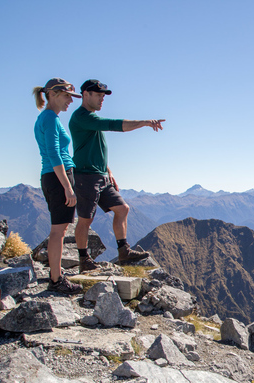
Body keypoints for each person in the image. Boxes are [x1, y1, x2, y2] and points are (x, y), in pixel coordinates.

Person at [69, 79, 165, 272]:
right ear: (86, 94)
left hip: (100, 174)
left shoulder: (90, 118)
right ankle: (84, 259)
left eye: (103, 96)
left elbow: (95, 150)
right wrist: (145, 122)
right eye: (98, 95)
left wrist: (108, 171)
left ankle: (124, 251)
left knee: (122, 208)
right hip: (85, 176)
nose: (102, 99)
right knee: (85, 219)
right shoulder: (82, 117)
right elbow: (115, 125)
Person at [33, 78, 83, 294]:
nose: (70, 101)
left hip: (51, 177)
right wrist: (68, 187)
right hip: (58, 178)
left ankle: (56, 276)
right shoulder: (50, 119)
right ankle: (56, 280)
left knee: (59, 229)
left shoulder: (45, 117)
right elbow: (54, 153)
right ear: (52, 94)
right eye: (67, 96)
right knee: (58, 231)